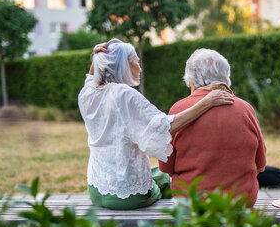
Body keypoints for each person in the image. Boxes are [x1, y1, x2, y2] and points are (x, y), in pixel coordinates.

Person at [78, 39, 234, 210]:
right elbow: (164, 127)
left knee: (158, 174)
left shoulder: (86, 94)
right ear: (124, 64)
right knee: (166, 180)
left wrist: (97, 56)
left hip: (96, 189)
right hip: (125, 197)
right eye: (136, 62)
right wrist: (207, 102)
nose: (140, 68)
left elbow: (92, 77)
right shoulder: (124, 94)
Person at [159, 49, 267, 206]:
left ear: (191, 81)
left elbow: (166, 167)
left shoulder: (179, 109)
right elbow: (260, 165)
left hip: (193, 202)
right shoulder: (246, 109)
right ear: (225, 78)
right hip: (240, 202)